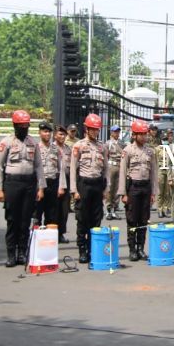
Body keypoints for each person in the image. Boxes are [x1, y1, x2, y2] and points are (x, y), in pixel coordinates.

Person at [0, 110, 46, 268]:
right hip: (12, 184)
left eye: (26, 126)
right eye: (21, 126)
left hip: (29, 184)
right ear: (15, 126)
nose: (24, 128)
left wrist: (41, 187)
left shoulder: (33, 142)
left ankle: (22, 252)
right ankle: (11, 254)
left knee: (25, 220)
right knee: (12, 220)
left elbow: (38, 165)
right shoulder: (6, 142)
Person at [69, 113, 109, 264]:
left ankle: (93, 248)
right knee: (82, 219)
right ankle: (82, 249)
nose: (95, 132)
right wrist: (74, 190)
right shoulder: (78, 146)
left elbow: (106, 169)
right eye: (92, 129)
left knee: (96, 218)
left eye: (97, 130)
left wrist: (106, 189)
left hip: (97, 185)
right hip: (83, 185)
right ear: (86, 129)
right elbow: (73, 169)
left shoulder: (102, 147)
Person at [118, 119, 158, 261]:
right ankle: (132, 249)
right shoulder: (127, 150)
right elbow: (122, 172)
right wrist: (123, 193)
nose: (144, 137)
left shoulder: (150, 151)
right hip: (133, 188)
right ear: (134, 135)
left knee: (143, 219)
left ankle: (141, 247)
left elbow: (154, 173)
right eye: (141, 134)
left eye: (145, 134)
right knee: (132, 219)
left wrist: (154, 192)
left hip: (145, 187)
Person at [35, 122, 66, 227]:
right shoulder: (35, 148)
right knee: (36, 214)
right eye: (45, 132)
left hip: (53, 183)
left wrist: (61, 186)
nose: (47, 134)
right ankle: (35, 239)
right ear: (39, 133)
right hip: (39, 184)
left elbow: (60, 169)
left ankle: (48, 240)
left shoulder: (55, 149)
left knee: (52, 215)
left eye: (49, 132)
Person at [54, 125, 72, 243]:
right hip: (54, 179)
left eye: (64, 134)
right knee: (54, 208)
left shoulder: (68, 149)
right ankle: (52, 233)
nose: (62, 136)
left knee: (64, 209)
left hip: (67, 178)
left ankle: (61, 233)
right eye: (60, 134)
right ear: (55, 135)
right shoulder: (52, 148)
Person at [105, 125, 124, 221]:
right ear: (111, 132)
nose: (117, 133)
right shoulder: (108, 143)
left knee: (117, 189)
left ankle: (115, 209)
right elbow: (106, 156)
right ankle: (108, 210)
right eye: (115, 131)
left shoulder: (121, 143)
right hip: (111, 166)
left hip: (119, 166)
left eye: (118, 131)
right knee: (110, 188)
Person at [156, 132, 173, 218]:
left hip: (169, 171)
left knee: (167, 192)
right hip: (160, 171)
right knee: (160, 192)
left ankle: (166, 209)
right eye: (164, 139)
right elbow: (154, 162)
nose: (165, 141)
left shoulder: (171, 148)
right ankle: (159, 209)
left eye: (166, 139)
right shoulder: (158, 149)